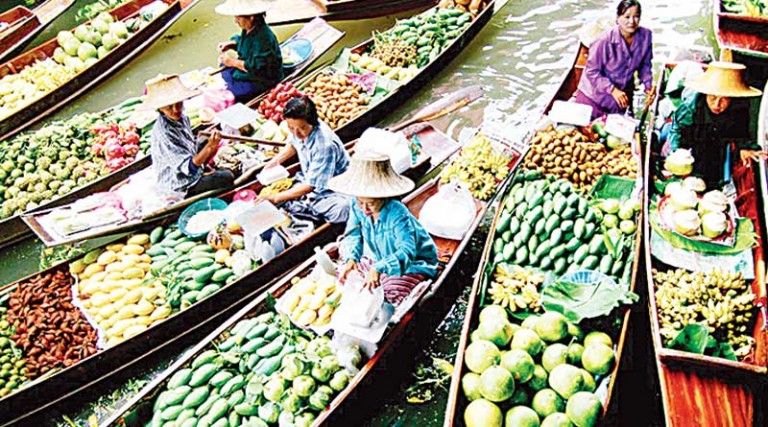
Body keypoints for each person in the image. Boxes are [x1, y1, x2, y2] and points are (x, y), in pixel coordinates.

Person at [331, 151, 439, 306]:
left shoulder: (397, 213)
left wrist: (379, 267)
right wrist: (351, 258)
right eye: (360, 202)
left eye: (371, 203)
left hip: (412, 263)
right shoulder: (357, 205)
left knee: (390, 293)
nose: (364, 208)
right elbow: (353, 234)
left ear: (382, 197)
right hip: (379, 256)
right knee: (347, 272)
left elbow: (407, 251)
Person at [665, 61, 766, 188]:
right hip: (690, 144)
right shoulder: (691, 106)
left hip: (715, 149)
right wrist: (677, 156)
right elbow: (676, 131)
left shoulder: (738, 109)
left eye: (724, 99)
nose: (717, 105)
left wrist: (745, 148)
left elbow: (739, 134)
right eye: (712, 98)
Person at [261, 96, 351, 224]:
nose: (296, 133)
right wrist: (275, 161)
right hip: (307, 179)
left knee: (342, 210)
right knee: (285, 190)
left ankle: (309, 210)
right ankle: (304, 204)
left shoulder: (324, 145)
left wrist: (275, 198)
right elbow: (293, 143)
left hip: (333, 190)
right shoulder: (298, 129)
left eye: (301, 128)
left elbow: (311, 185)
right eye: (291, 128)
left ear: (313, 122)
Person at [142, 74, 235, 197]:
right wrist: (210, 147)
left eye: (178, 104)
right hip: (180, 183)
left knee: (204, 141)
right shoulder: (165, 133)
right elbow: (188, 168)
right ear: (160, 109)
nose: (176, 110)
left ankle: (205, 169)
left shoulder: (182, 117)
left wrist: (208, 148)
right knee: (227, 177)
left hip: (187, 165)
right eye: (169, 107)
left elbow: (190, 147)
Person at [573, 0, 655, 119]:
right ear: (618, 18)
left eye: (636, 17)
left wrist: (648, 86)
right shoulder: (603, 40)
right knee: (591, 132)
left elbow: (645, 66)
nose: (631, 21)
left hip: (621, 98)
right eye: (626, 17)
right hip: (594, 98)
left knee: (620, 130)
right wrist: (612, 90)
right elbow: (591, 72)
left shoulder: (645, 36)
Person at [215, 0, 283, 103]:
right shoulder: (249, 29)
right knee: (223, 66)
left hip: (263, 78)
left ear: (251, 17)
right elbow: (243, 42)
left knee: (231, 92)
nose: (236, 21)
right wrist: (231, 44)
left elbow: (257, 67)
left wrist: (233, 62)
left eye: (238, 18)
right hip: (248, 69)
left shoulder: (264, 38)